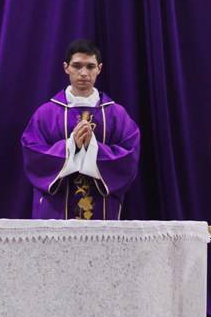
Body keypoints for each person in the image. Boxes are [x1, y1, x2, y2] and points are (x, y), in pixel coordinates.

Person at [19, 39, 141, 220]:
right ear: (66, 67)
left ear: (99, 68)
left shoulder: (116, 114)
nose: (84, 73)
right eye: (77, 66)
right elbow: (33, 154)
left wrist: (93, 147)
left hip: (102, 209)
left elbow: (129, 156)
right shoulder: (47, 113)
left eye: (90, 67)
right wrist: (71, 146)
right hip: (56, 210)